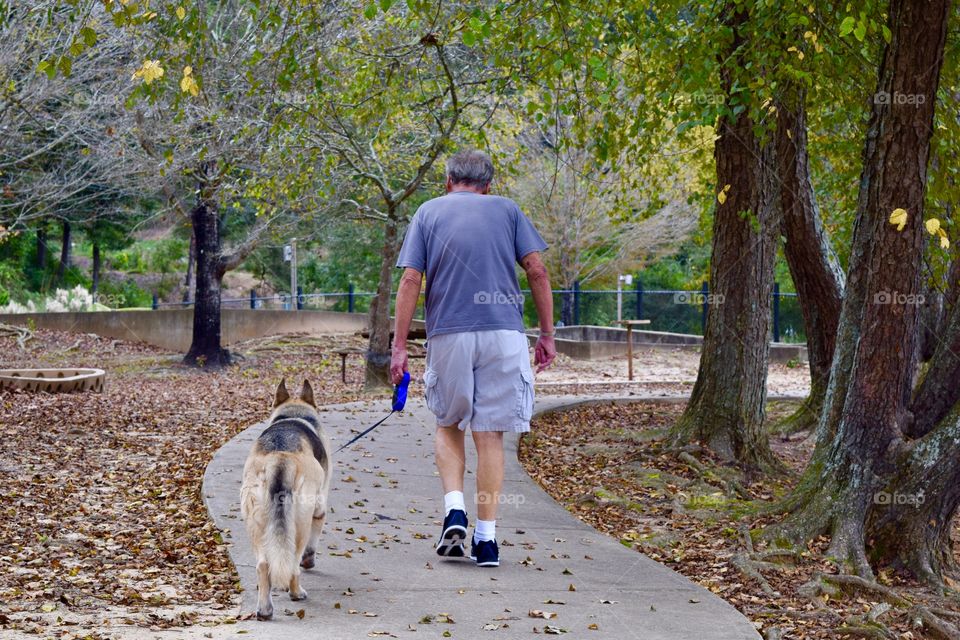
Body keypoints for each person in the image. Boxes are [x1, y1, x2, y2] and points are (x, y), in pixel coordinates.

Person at [390, 149, 557, 568]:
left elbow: (411, 278)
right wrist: (548, 335)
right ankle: (486, 541)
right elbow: (537, 270)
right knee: (491, 434)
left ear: (448, 181)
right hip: (504, 335)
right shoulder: (509, 210)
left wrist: (397, 346)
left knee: (448, 424)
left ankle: (454, 511)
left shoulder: (428, 213)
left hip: (450, 334)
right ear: (489, 185)